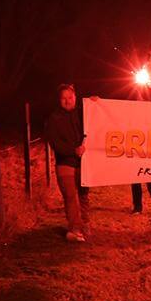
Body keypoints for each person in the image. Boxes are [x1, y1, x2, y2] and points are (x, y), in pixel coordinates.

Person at [47, 83, 90, 243]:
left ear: (75, 97)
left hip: (83, 163)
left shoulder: (82, 113)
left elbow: (97, 119)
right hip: (65, 163)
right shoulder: (54, 119)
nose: (67, 100)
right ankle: (74, 230)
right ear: (59, 100)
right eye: (63, 98)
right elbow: (56, 143)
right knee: (71, 197)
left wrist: (95, 103)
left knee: (84, 195)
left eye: (70, 97)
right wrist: (73, 151)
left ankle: (85, 225)